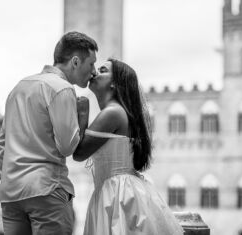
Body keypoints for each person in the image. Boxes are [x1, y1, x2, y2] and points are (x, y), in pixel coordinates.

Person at [0, 31, 97, 235]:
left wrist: (11, 179)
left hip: (11, 195)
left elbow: (1, 146)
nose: (94, 71)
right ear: (75, 62)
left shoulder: (19, 88)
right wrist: (82, 117)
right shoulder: (62, 88)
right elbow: (67, 147)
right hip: (47, 190)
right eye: (91, 64)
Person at [73, 59, 184, 235]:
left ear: (115, 84)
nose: (94, 72)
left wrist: (83, 114)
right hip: (122, 190)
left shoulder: (112, 113)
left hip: (116, 196)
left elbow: (79, 153)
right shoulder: (120, 111)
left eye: (102, 70)